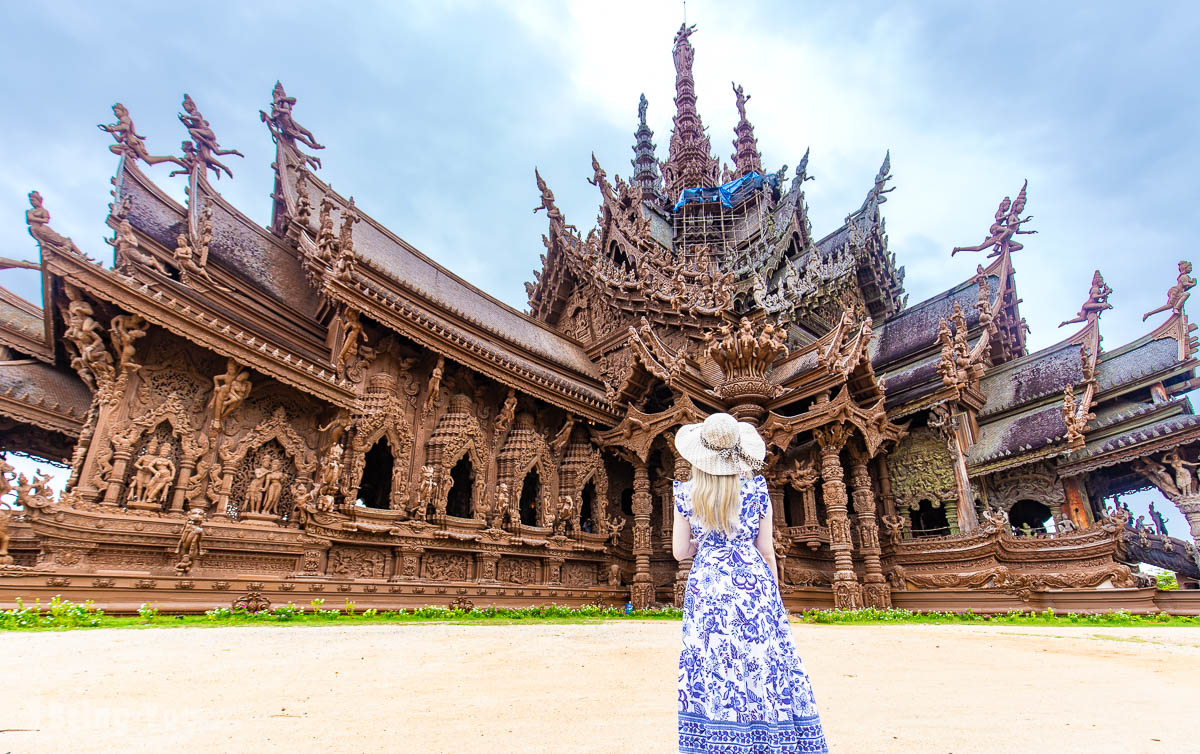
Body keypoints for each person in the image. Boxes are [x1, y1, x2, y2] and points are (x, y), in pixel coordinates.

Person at [672, 413, 827, 752]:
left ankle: (717, 738)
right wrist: (774, 601)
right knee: (761, 659)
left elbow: (680, 551)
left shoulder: (686, 494)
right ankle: (770, 735)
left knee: (714, 659)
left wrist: (706, 543)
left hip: (709, 583)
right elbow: (767, 550)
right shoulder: (756, 489)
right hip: (752, 582)